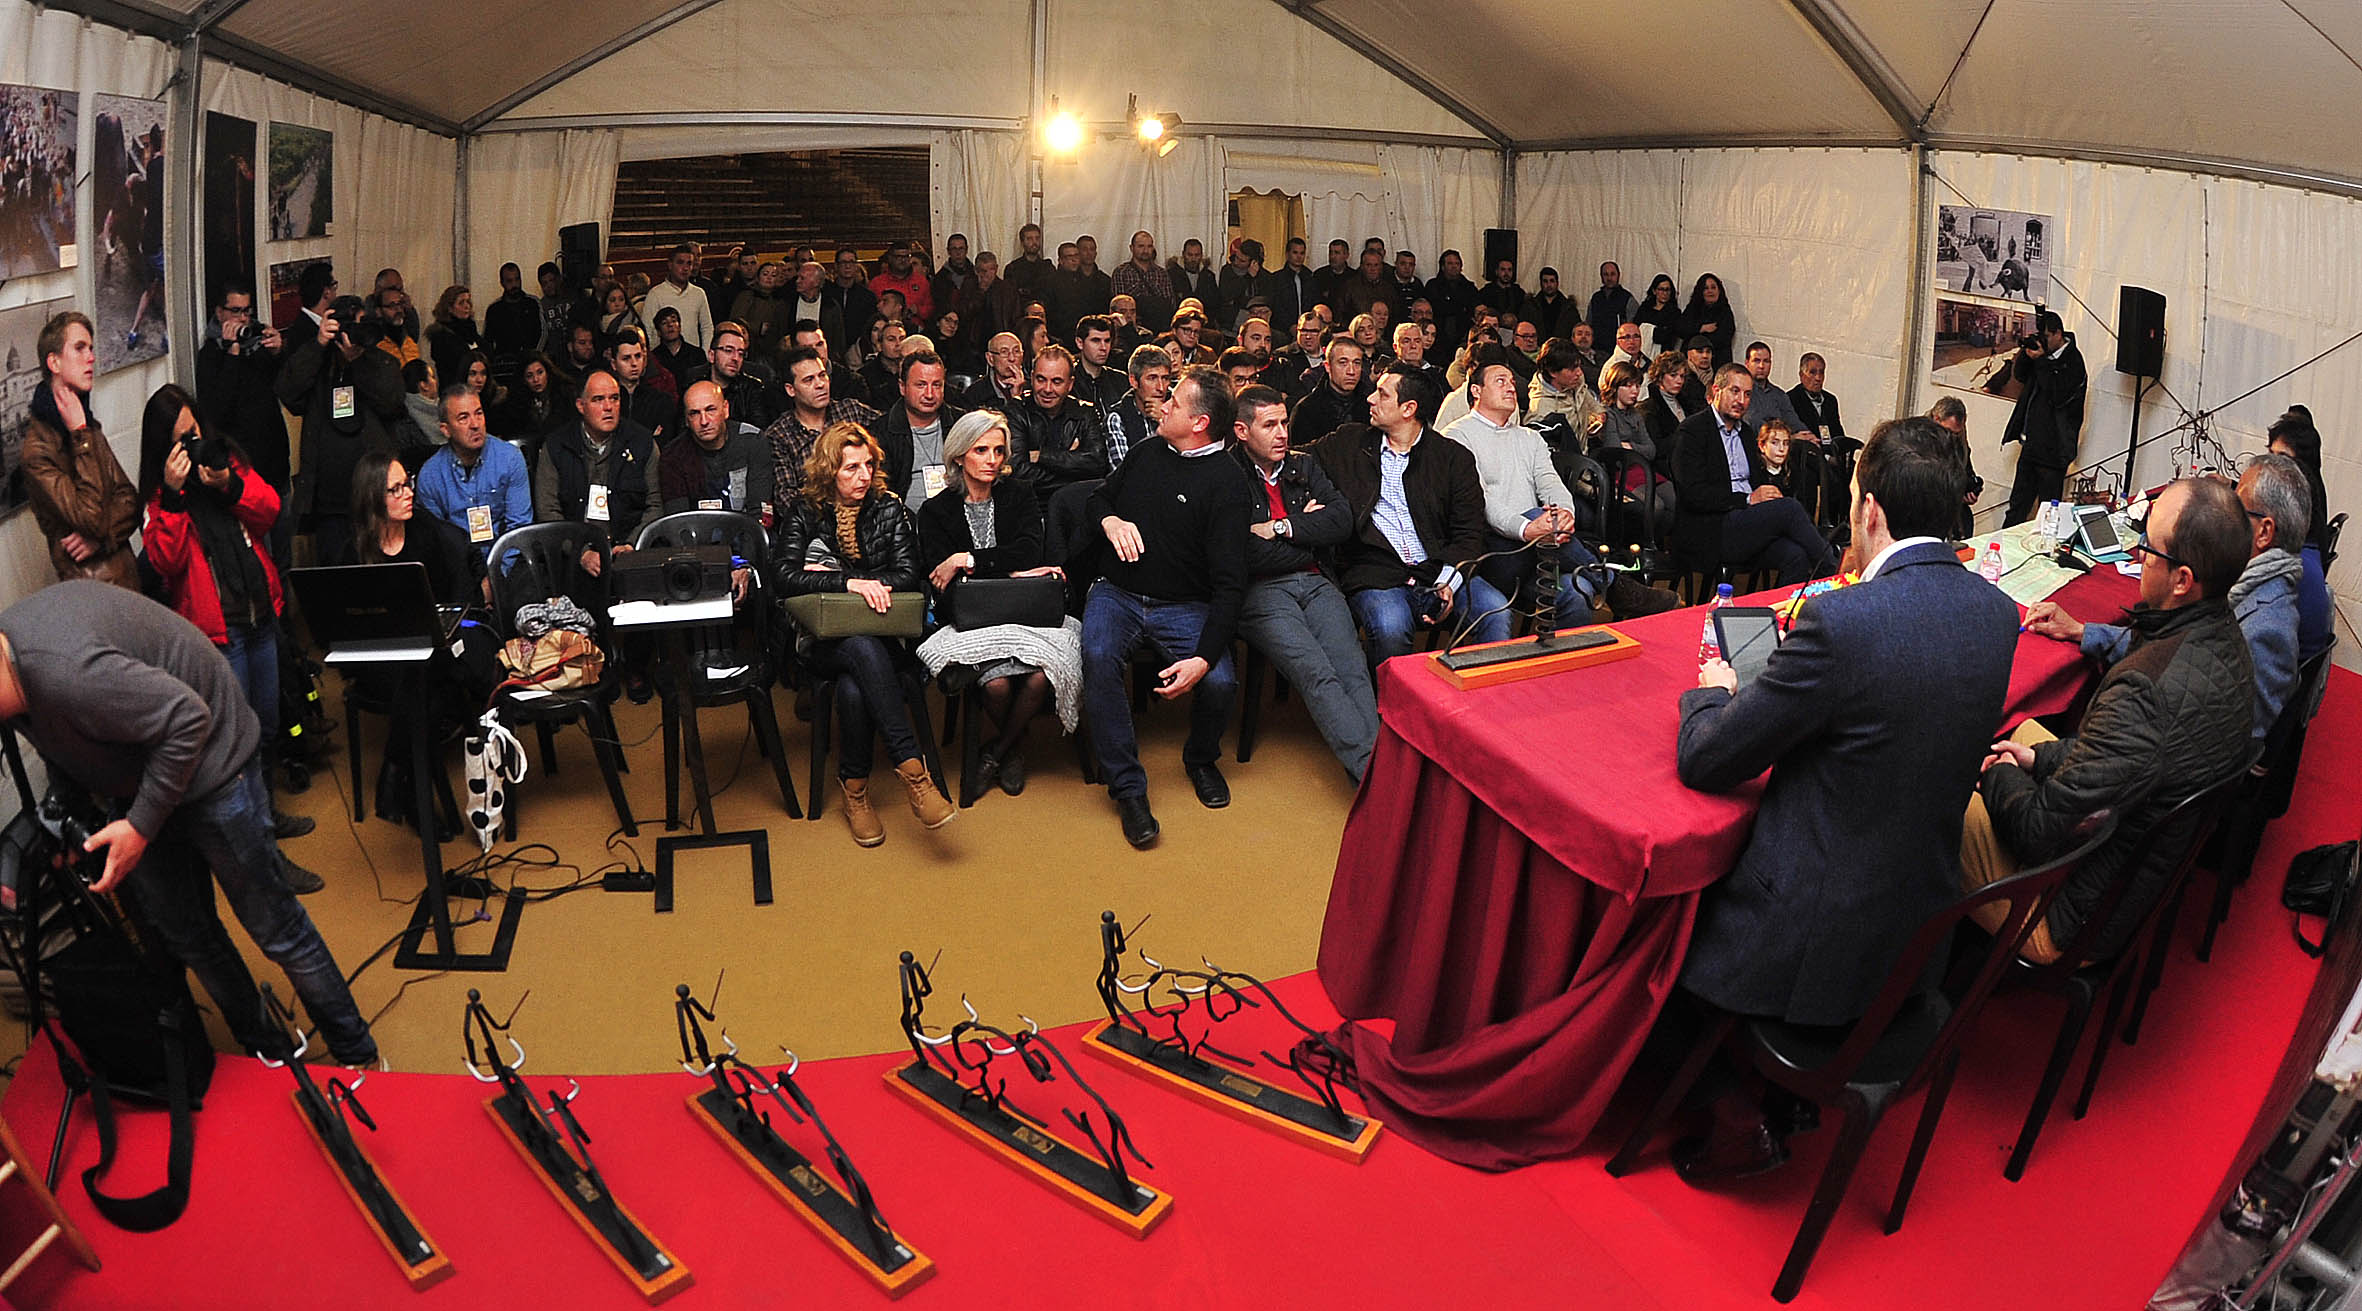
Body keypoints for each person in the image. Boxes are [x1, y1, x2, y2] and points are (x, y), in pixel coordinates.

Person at [1664, 416, 2020, 1181]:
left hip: (1810, 936)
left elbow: (1708, 762)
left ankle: (1736, 1117)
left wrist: (1712, 694)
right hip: (1918, 926)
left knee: (1654, 932)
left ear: (1869, 510)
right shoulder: (1996, 614)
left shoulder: (1843, 620)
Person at [0, 582, 378, 1066]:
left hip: (213, 769)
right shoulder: (22, 671)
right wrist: (73, 810)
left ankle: (358, 1054)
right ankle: (270, 1053)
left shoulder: (67, 672)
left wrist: (138, 826)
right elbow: (57, 734)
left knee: (275, 927)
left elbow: (186, 719)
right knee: (188, 933)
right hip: (143, 779)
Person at [1968, 476, 2255, 965]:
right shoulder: (2228, 640)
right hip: (2126, 860)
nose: (2140, 557)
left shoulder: (2145, 690)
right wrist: (2035, 758)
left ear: (2183, 580)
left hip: (2071, 913)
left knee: (1941, 794)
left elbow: (2037, 831)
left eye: (2148, 547)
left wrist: (1997, 775)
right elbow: (2118, 754)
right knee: (2024, 734)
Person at [135, 383, 319, 864]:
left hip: (260, 617)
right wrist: (175, 498)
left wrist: (227, 485)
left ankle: (267, 819)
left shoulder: (224, 460)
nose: (192, 444)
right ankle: (258, 846)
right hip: (220, 634)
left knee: (268, 725)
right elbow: (165, 562)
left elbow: (270, 510)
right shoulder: (160, 495)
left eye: (193, 431)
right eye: (180, 439)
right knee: (236, 741)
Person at [1082, 367, 1249, 848]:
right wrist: (1111, 520)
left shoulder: (1228, 485)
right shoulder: (1147, 452)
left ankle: (1200, 759)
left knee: (1219, 680)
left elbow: (1230, 586)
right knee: (1097, 657)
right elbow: (1097, 500)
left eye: (1174, 402)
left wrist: (1201, 658)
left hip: (1186, 605)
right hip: (1118, 592)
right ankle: (1129, 789)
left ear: (1199, 423)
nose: (1162, 403)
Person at [775, 422, 954, 846]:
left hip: (886, 635)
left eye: (868, 465)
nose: (862, 476)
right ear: (828, 470)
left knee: (857, 681)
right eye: (850, 467)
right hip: (822, 642)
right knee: (856, 647)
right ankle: (915, 773)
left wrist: (839, 575)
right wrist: (851, 584)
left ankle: (855, 791)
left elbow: (910, 576)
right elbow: (782, 577)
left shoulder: (888, 507)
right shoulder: (805, 511)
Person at [915, 411, 1076, 795]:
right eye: (981, 450)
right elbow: (943, 582)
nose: (992, 459)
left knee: (1040, 677)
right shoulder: (934, 512)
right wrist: (1007, 572)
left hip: (1022, 611)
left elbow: (1026, 552)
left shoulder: (1018, 495)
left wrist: (967, 560)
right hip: (969, 619)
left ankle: (996, 752)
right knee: (998, 685)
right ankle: (1013, 750)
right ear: (958, 457)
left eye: (998, 451)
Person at [1447, 359, 1675, 623]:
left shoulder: (1529, 437)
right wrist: (1528, 527)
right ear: (1476, 391)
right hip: (1495, 551)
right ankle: (1615, 585)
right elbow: (1481, 501)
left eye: (1511, 381)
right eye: (1500, 381)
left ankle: (1565, 660)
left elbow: (1551, 483)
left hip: (1545, 548)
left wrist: (1563, 514)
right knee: (1535, 514)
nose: (1511, 387)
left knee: (1580, 591)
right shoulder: (1457, 436)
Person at [1231, 385, 1378, 782]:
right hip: (1261, 592)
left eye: (1284, 423)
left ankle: (1372, 767)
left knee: (1353, 667)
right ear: (1242, 431)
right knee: (1317, 673)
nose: (1282, 433)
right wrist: (1309, 536)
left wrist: (1280, 528)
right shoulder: (1226, 474)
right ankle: (1375, 775)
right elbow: (1245, 555)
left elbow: (1341, 521)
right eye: (1269, 425)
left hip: (1315, 581)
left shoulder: (1304, 465)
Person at [1314, 365, 1506, 661]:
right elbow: (1292, 460)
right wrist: (1304, 499)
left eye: (1382, 394)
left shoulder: (1452, 458)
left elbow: (1470, 531)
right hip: (1375, 572)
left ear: (1408, 409)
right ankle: (1385, 707)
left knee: (1495, 610)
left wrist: (1449, 580)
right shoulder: (1348, 443)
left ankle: (1483, 703)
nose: (1369, 399)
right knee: (1391, 626)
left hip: (1438, 568)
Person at [1670, 364, 1837, 585]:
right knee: (1789, 509)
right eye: (1735, 391)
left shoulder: (1746, 433)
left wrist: (1769, 492)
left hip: (1747, 524)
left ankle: (1782, 616)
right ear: (1716, 391)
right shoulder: (1692, 431)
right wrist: (1747, 499)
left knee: (1795, 554)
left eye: (1747, 394)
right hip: (1711, 528)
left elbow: (1757, 483)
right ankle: (1834, 569)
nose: (1741, 400)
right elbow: (1692, 494)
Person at [278, 283, 404, 566]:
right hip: (329, 501)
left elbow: (392, 403)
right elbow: (288, 393)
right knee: (335, 575)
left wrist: (357, 362)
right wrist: (318, 344)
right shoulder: (317, 364)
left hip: (376, 494)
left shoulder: (381, 361)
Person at [20, 311, 139, 590]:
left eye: (91, 348)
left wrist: (101, 537)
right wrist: (80, 436)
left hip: (126, 583)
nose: (91, 357)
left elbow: (131, 501)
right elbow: (91, 518)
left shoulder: (84, 424)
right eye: (79, 348)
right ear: (54, 362)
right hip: (92, 592)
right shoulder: (38, 451)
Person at [535, 369, 658, 573]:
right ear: (580, 405)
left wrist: (632, 544)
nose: (608, 407)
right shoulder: (557, 446)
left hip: (632, 554)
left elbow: (655, 505)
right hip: (573, 559)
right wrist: (580, 552)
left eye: (614, 398)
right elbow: (548, 511)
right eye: (598, 400)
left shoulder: (641, 442)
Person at [195, 282, 290, 503]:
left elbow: (287, 390)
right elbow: (217, 412)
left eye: (247, 311)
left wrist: (278, 353)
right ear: (220, 312)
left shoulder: (259, 343)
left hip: (276, 464)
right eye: (235, 311)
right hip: (244, 471)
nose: (243, 318)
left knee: (284, 534)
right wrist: (232, 355)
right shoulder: (210, 355)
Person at [1992, 308, 2087, 525]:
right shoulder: (2043, 356)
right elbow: (2021, 376)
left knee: (2048, 516)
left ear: (2057, 334)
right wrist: (2027, 355)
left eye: (2045, 336)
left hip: (2054, 453)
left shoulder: (2074, 362)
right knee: (2016, 508)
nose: (2042, 341)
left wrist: (2042, 360)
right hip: (2031, 447)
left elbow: (2057, 395)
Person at [416, 384, 533, 558]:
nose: (475, 424)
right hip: (459, 566)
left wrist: (497, 574)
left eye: (478, 413)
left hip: (505, 558)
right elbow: (437, 541)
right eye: (463, 418)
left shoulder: (510, 458)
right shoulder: (430, 475)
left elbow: (519, 529)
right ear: (445, 429)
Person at [764, 346, 879, 505]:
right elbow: (786, 499)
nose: (820, 384)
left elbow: (892, 428)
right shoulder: (779, 435)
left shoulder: (852, 411)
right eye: (809, 380)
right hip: (815, 522)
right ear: (791, 390)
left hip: (866, 511)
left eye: (822, 375)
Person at [657, 379, 774, 518]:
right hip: (697, 534)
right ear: (686, 420)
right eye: (694, 413)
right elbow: (678, 520)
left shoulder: (753, 440)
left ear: (725, 409)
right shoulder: (674, 455)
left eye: (710, 410)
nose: (704, 421)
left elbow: (760, 509)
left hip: (749, 532)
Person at [1004, 345, 1108, 495]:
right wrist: (1072, 469)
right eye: (1041, 379)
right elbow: (1018, 473)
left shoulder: (1085, 412)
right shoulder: (1016, 411)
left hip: (1074, 504)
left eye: (1057, 382)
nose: (1047, 389)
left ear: (1070, 384)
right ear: (1032, 378)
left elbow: (1098, 464)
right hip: (1031, 505)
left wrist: (1041, 456)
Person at [874, 348, 964, 505]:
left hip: (957, 518)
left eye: (936, 385)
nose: (929, 394)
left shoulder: (962, 424)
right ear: (902, 387)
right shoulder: (881, 432)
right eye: (921, 385)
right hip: (905, 522)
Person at [1594, 358, 1677, 525]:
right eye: (1628, 386)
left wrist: (1630, 446)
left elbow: (1651, 450)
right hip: (1620, 473)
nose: (1635, 391)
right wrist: (1632, 449)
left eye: (1637, 386)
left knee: (1675, 499)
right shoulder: (1607, 414)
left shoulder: (1636, 415)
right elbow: (1615, 453)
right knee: (1655, 506)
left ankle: (1660, 544)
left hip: (1642, 469)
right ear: (1616, 387)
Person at [1105, 344, 1174, 471]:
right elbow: (1123, 474)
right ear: (1133, 381)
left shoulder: (1181, 409)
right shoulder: (1117, 418)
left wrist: (1166, 421)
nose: (1160, 387)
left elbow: (1194, 458)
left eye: (1165, 378)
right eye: (1152, 378)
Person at [1290, 337, 1370, 444]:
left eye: (1356, 363)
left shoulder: (1371, 406)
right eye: (1343, 363)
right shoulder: (1306, 410)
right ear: (1327, 366)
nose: (1351, 371)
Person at [641, 245, 714, 356]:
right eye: (680, 262)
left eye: (689, 263)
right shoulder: (655, 294)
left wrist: (704, 355)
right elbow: (648, 330)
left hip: (693, 358)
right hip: (664, 359)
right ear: (670, 265)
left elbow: (707, 327)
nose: (685, 268)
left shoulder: (699, 293)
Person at [482, 262, 542, 364]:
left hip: (532, 362)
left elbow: (543, 332)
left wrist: (536, 355)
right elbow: (487, 341)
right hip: (504, 364)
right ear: (502, 283)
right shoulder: (494, 310)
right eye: (509, 281)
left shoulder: (533, 303)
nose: (514, 284)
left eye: (517, 279)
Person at [423, 284, 482, 389]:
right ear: (449, 308)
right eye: (461, 303)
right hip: (454, 391)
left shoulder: (470, 330)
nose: (467, 306)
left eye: (468, 302)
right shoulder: (441, 336)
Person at [1674, 273, 1736, 367]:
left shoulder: (1725, 311)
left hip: (1717, 362)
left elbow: (1724, 338)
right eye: (1706, 288)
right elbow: (1681, 329)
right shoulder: (1692, 309)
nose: (1710, 291)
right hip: (1691, 365)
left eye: (1713, 287)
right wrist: (1701, 328)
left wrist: (1696, 338)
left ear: (1719, 290)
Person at [1788, 351, 1844, 445]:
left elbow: (1838, 433)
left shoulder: (1830, 400)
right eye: (1812, 373)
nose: (1818, 378)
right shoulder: (1791, 399)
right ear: (1802, 375)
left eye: (1821, 372)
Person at [1585, 261, 1637, 349]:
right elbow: (1588, 324)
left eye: (1612, 274)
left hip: (1618, 349)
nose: (1609, 278)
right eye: (1606, 274)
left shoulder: (1627, 298)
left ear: (1618, 275)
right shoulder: (1596, 298)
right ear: (1601, 277)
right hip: (1596, 349)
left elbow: (1632, 328)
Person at [1636, 273, 1683, 355]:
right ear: (1654, 291)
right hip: (1641, 352)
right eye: (1661, 289)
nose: (1665, 293)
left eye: (1667, 290)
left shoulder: (1675, 312)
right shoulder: (1644, 309)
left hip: (1664, 353)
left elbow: (1668, 336)